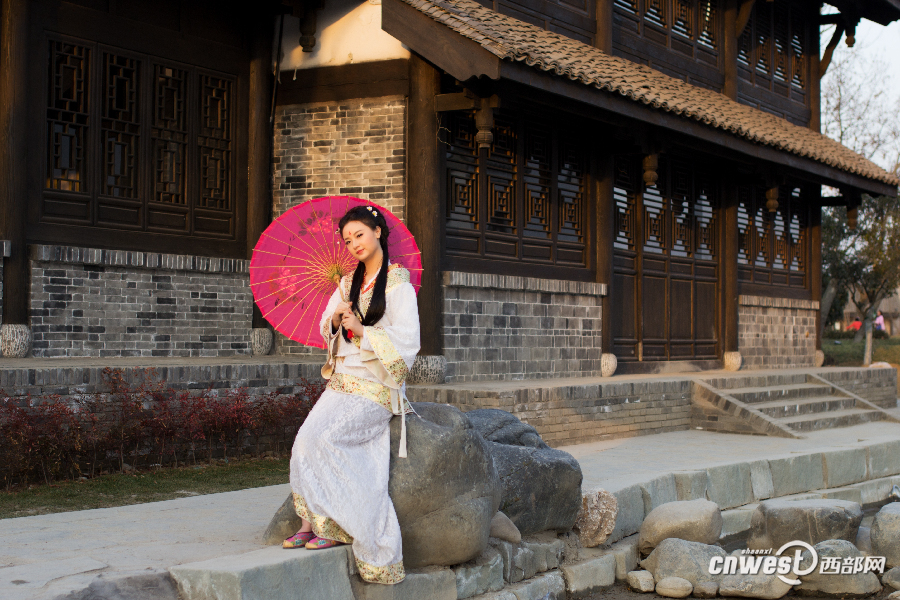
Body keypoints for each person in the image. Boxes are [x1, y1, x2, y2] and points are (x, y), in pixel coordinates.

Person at [282, 205, 420, 585]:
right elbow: (325, 329)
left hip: (376, 387)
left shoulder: (398, 284)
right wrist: (334, 319)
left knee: (327, 439)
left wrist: (363, 332)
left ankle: (337, 525)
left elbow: (408, 344)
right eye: (347, 240)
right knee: (304, 440)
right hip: (342, 382)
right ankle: (313, 521)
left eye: (359, 234)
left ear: (378, 232)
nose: (354, 244)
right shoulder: (345, 285)